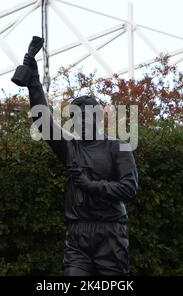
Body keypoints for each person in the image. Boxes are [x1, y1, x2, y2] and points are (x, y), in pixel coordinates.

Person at [11, 36, 139, 276]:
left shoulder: (119, 147)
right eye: (73, 117)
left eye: (83, 116)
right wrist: (34, 83)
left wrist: (91, 185)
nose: (77, 122)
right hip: (77, 235)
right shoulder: (70, 146)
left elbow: (129, 188)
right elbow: (43, 120)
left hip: (110, 234)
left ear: (98, 118)